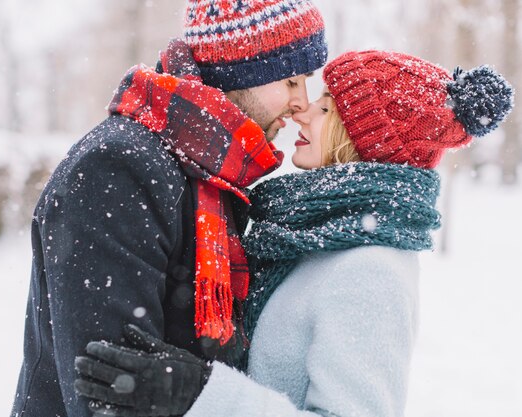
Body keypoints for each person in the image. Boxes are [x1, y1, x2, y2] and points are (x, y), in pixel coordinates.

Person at [73, 50, 514, 416]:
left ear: (359, 140)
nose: (302, 110)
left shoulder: (371, 269)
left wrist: (202, 395)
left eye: (324, 107)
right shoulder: (311, 237)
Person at [10, 1, 328, 416]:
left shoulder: (205, 171)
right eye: (290, 80)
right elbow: (110, 387)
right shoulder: (119, 169)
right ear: (241, 70)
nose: (301, 102)